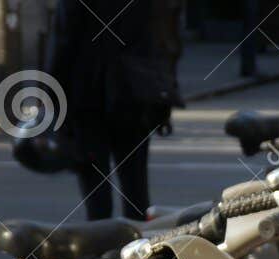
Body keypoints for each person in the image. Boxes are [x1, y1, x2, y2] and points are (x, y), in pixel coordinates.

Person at [50, 0, 181, 221]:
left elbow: (62, 46)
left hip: (89, 94)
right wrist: (165, 94)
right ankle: (140, 248)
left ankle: (102, 248)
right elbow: (165, 41)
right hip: (135, 91)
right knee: (136, 191)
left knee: (97, 195)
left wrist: (52, 97)